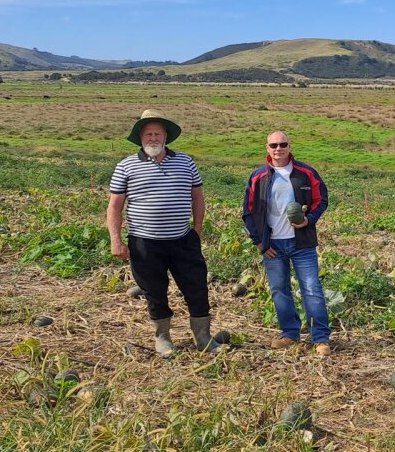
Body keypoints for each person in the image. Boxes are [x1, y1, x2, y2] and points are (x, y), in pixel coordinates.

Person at [106, 109, 220, 357]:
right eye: (148, 134)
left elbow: (197, 197)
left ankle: (203, 337)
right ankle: (163, 337)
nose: (153, 138)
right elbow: (115, 206)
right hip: (144, 243)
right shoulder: (125, 166)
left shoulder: (185, 162)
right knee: (154, 291)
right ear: (140, 137)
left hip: (182, 239)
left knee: (196, 286)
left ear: (166, 136)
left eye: (158, 133)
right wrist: (115, 239)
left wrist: (197, 229)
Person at [242, 130, 332, 356]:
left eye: (282, 144)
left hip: (302, 244)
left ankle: (319, 338)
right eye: (273, 145)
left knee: (311, 289)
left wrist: (309, 220)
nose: (278, 149)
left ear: (290, 146)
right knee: (279, 291)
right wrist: (259, 242)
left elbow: (321, 199)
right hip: (273, 246)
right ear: (267, 148)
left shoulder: (305, 173)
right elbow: (248, 212)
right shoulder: (257, 176)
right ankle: (289, 333)